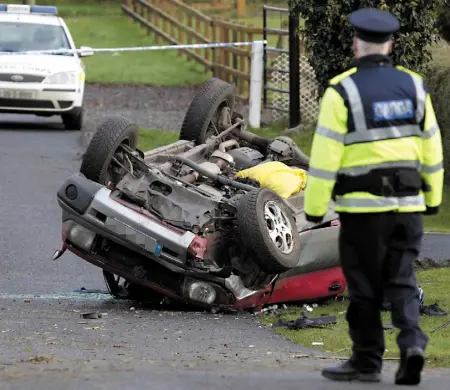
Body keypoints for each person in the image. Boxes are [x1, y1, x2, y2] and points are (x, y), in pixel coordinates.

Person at [303, 7, 444, 386]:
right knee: (401, 278)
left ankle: (367, 362)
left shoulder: (342, 91)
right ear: (390, 44)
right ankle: (412, 345)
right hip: (408, 206)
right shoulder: (415, 86)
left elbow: (324, 158)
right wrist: (432, 198)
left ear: (356, 44)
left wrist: (315, 210)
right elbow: (432, 148)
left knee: (364, 285)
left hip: (363, 210)